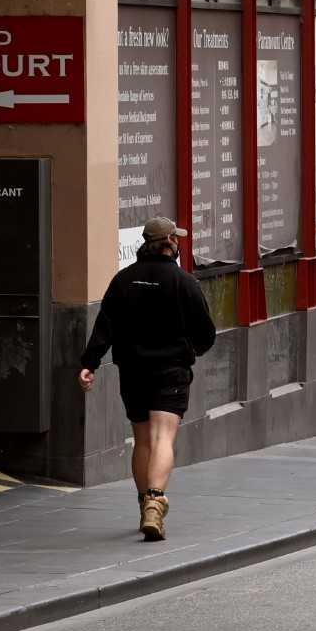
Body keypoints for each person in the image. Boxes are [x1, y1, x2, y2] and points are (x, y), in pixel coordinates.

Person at [77, 217, 216, 541]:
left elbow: (104, 326)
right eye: (177, 237)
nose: (180, 241)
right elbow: (205, 334)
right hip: (171, 370)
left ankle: (145, 505)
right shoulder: (184, 282)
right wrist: (189, 349)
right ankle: (156, 501)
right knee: (162, 438)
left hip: (133, 370)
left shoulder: (124, 280)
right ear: (170, 241)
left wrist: (90, 363)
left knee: (141, 439)